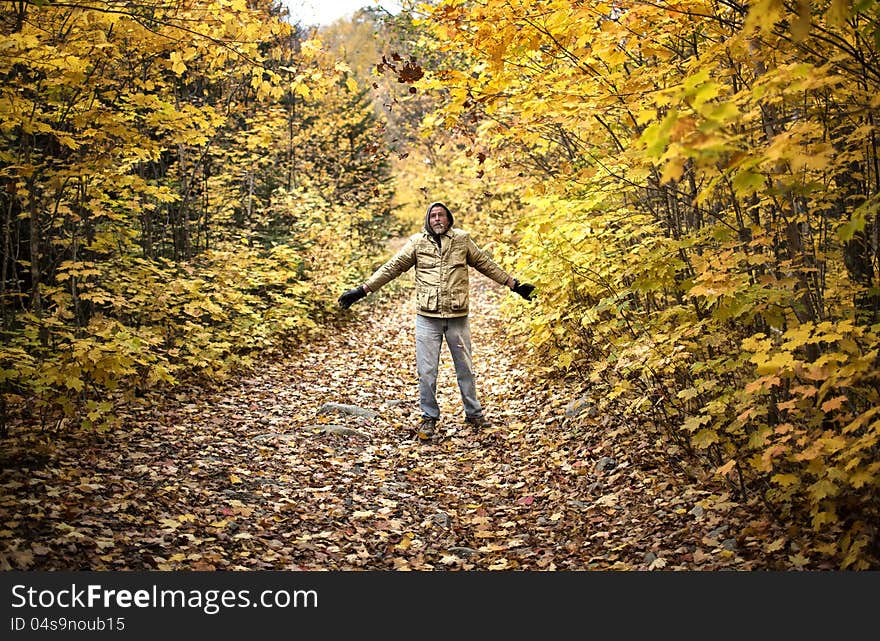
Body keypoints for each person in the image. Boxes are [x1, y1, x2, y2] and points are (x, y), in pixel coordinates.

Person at [338, 201, 535, 441]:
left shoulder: (462, 240)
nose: (438, 219)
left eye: (442, 215)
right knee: (427, 371)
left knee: (465, 369)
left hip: (457, 316)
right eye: (433, 216)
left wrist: (514, 285)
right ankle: (429, 417)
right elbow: (392, 268)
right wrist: (362, 290)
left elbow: (485, 264)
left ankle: (474, 414)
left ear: (449, 219)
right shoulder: (417, 242)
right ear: (427, 221)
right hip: (427, 318)